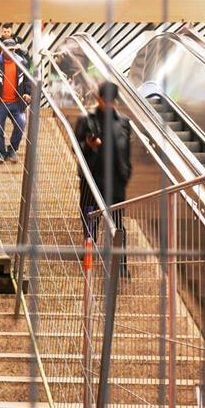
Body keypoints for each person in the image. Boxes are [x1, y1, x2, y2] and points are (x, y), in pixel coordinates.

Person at [73, 80, 131, 276]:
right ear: (98, 99)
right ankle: (89, 255)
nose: (108, 105)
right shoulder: (86, 120)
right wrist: (89, 145)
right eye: (105, 101)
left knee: (117, 224)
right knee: (90, 219)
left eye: (112, 102)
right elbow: (76, 147)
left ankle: (121, 265)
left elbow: (126, 153)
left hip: (115, 182)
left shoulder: (123, 123)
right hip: (92, 179)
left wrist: (125, 173)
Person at [0, 23, 31, 164]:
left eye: (12, 50)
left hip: (16, 103)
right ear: (3, 50)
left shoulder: (21, 63)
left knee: (21, 124)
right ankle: (1, 153)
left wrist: (28, 94)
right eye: (7, 50)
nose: (10, 52)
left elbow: (28, 81)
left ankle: (12, 150)